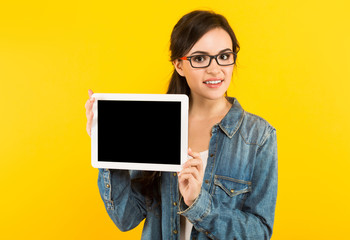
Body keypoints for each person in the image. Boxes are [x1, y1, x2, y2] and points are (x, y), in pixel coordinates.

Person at [84, 10, 278, 240]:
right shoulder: (153, 124)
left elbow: (260, 233)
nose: (215, 69)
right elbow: (126, 218)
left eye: (224, 56)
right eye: (199, 58)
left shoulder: (258, 136)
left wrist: (198, 204)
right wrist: (106, 145)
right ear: (178, 65)